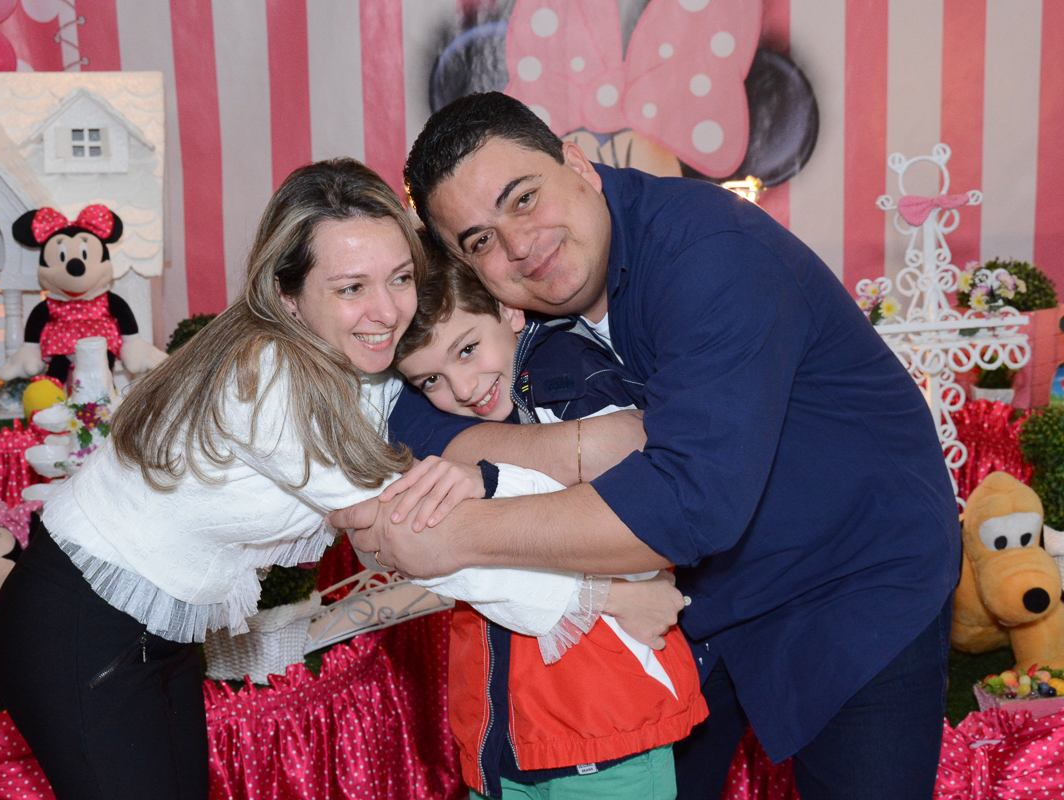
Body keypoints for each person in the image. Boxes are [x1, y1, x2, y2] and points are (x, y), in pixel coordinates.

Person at [333, 92, 960, 800]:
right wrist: (576, 447)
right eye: (478, 239)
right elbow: (415, 423)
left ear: (578, 162)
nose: (517, 244)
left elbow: (690, 506)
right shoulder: (507, 314)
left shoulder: (711, 252)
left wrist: (461, 534)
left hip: (851, 579)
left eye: (524, 198)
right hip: (688, 605)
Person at [0, 157, 671, 800]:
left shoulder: (353, 360)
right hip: (76, 630)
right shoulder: (270, 381)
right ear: (286, 295)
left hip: (157, 637)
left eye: (401, 277)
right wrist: (601, 592)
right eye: (350, 288)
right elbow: (419, 541)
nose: (387, 311)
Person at [393, 242, 707, 800]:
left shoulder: (573, 378)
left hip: (602, 729)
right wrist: (607, 594)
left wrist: (489, 482)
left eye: (467, 350)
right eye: (431, 381)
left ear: (510, 311)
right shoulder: (470, 423)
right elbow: (435, 551)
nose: (462, 389)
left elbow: (635, 524)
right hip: (504, 735)